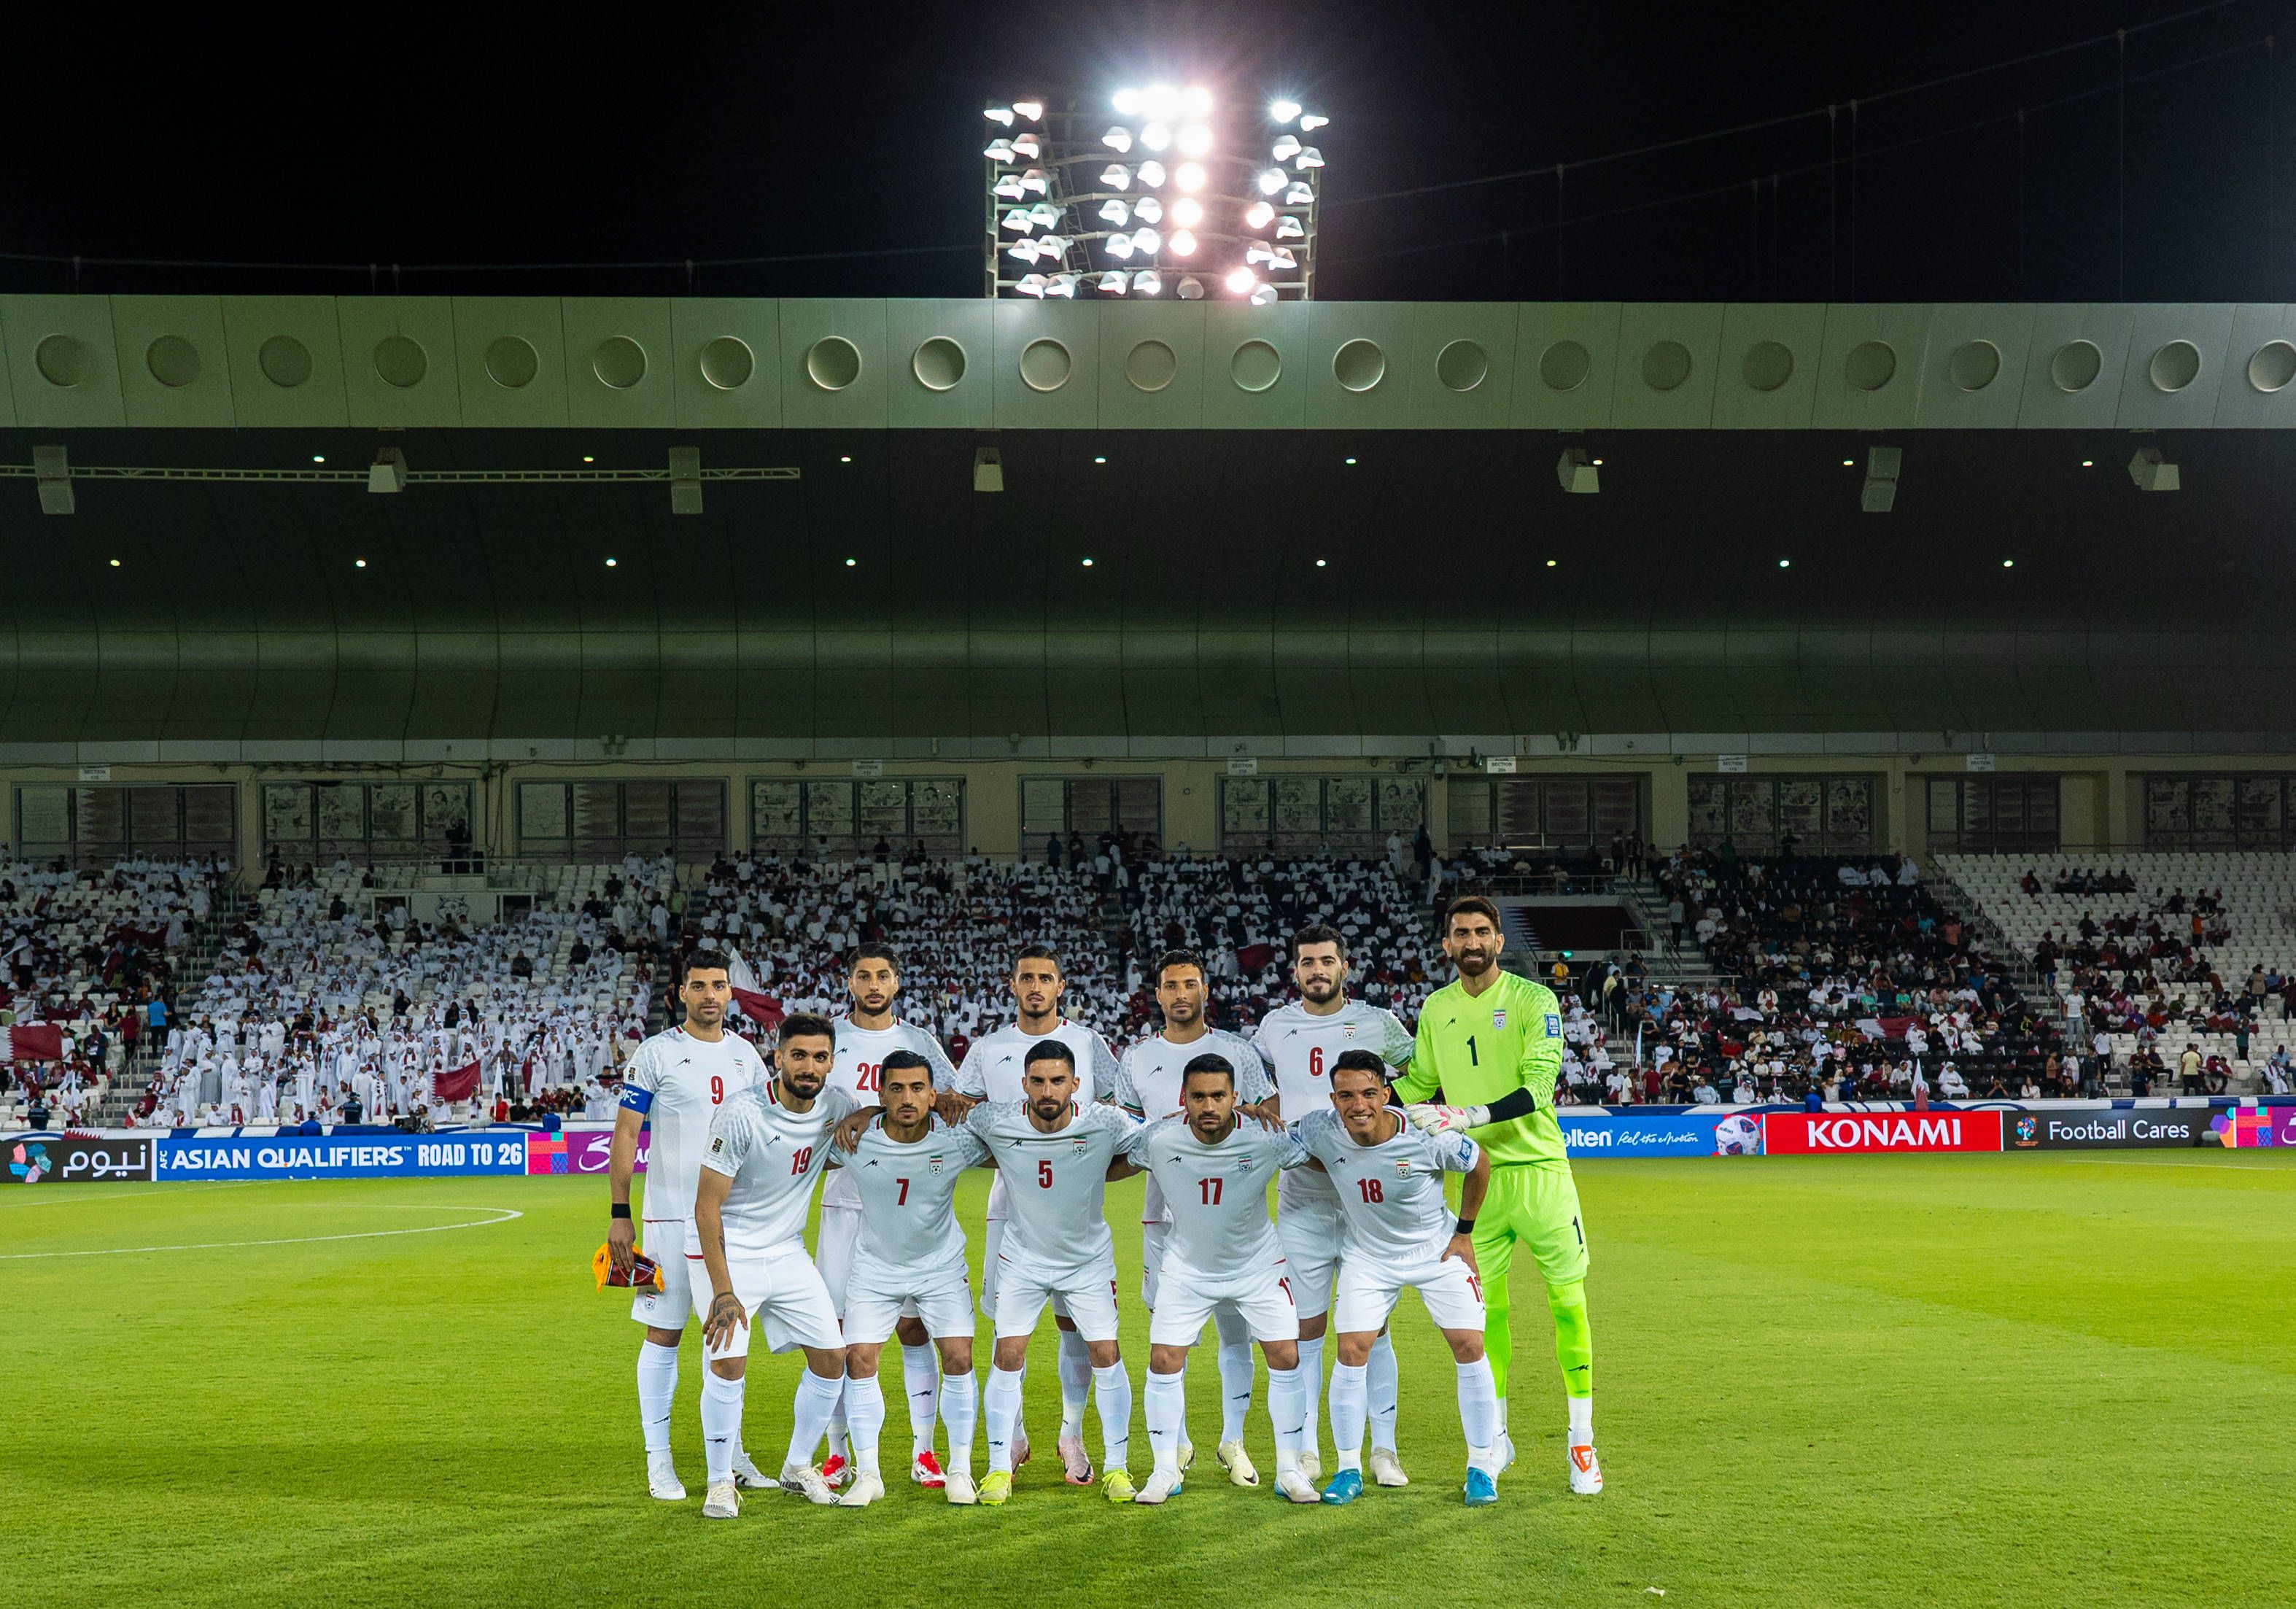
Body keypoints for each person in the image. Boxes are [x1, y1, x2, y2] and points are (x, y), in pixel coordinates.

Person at [1397, 895, 1601, 1495]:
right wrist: (1367, 1096)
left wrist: (1467, 1113)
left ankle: (1582, 1444)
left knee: (1569, 1305)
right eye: (1461, 932)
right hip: (1477, 1178)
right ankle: (1497, 1439)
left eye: (1482, 931)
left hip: (1540, 1172)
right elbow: (1417, 1082)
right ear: (1447, 944)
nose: (1472, 940)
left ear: (1498, 941)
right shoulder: (1437, 1008)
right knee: (1486, 1315)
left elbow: (1538, 1088)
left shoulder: (1536, 1001)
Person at [1249, 923, 1419, 1486]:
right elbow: (1256, 1089)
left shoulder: (1380, 1022)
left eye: (1326, 961)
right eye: (1307, 963)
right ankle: (1309, 1451)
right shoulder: (1274, 1027)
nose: (1317, 970)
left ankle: (1383, 1450)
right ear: (1294, 971)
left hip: (1369, 1204)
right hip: (1304, 1201)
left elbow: (1415, 1083)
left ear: (1344, 966)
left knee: (1376, 1330)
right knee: (1306, 1330)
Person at [947, 946, 1121, 1485]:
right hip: (1009, 1208)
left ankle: (1071, 1433)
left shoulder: (1089, 1044)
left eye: (1046, 977)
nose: (1036, 986)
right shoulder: (989, 1047)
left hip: (1075, 1213)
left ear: (1061, 985)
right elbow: (961, 1110)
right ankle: (1014, 1436)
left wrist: (1087, 1170)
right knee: (1009, 1333)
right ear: (1012, 984)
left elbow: (1120, 1113)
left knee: (1076, 1328)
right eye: (1027, 977)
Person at [606, 949, 772, 1503]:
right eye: (698, 985)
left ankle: (734, 1455)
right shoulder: (655, 1054)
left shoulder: (749, 1057)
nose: (708, 995)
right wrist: (619, 1215)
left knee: (731, 1336)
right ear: (681, 993)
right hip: (666, 1221)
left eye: (718, 985)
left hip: (732, 1222)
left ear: (729, 993)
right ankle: (660, 1463)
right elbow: (627, 1135)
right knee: (664, 1332)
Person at [1299, 1051, 1500, 1507]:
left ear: (1386, 1094)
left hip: (1436, 1250)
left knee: (1469, 1345)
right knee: (1351, 1351)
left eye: (1369, 1093)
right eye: (1346, 1096)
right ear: (1334, 1099)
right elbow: (1286, 1143)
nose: (1358, 1105)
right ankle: (1349, 1468)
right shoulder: (1321, 1129)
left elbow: (1480, 1163)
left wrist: (1464, 1233)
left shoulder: (1428, 1136)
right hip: (1369, 1256)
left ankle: (1482, 1466)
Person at [1115, 950, 1276, 1487]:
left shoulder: (1238, 1051)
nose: (1181, 993)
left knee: (1237, 1332)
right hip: (1162, 1216)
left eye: (1190, 983)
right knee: (1170, 1337)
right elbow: (1127, 1136)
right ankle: (1177, 1444)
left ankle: (1234, 1440)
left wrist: (1255, 1114)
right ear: (1156, 994)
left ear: (1206, 989)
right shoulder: (1136, 1058)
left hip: (1233, 1217)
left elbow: (1269, 1117)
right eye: (1170, 985)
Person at [689, 1012, 858, 1517]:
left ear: (831, 1061)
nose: (810, 1066)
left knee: (832, 1359)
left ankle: (796, 1465)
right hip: (732, 1250)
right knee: (728, 1361)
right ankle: (720, 1481)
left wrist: (867, 1115)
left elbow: (862, 1123)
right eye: (799, 1055)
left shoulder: (837, 1104)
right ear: (778, 1056)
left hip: (787, 1251)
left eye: (820, 1057)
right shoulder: (743, 1113)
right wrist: (723, 1291)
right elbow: (706, 1207)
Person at [1130, 1052, 1319, 1505]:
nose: (1209, 1105)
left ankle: (1290, 1470)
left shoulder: (1268, 1137)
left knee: (1286, 1356)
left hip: (1257, 1265)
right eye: (1199, 1096)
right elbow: (1112, 1157)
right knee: (1163, 1360)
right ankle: (1164, 1471)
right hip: (1187, 1267)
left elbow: (1320, 1155)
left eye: (1219, 1095)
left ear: (1236, 1096)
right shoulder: (1156, 1140)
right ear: (1184, 1099)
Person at [963, 1040, 1147, 1505]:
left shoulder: (1104, 1122)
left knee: (1106, 1352)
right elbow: (946, 1117)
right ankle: (999, 1468)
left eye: (1058, 1081)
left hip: (1087, 1261)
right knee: (1008, 1353)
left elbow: (1155, 1141)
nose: (1048, 1091)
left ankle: (1117, 1468)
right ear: (1024, 1084)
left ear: (1075, 1085)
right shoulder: (996, 1120)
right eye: (1039, 1081)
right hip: (1022, 1259)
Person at [814, 944, 959, 1491]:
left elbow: (949, 1100)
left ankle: (924, 1450)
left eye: (883, 976)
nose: (873, 984)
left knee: (913, 1326)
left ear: (896, 982)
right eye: (863, 976)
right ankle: (836, 1453)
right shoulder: (828, 1038)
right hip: (845, 1202)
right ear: (849, 982)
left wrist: (877, 1109)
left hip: (910, 1206)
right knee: (838, 1336)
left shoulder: (919, 1041)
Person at [824, 1050, 986, 1505]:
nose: (907, 1097)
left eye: (918, 1088)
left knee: (958, 1356)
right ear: (880, 1094)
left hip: (940, 1267)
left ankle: (958, 1470)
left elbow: (1012, 1133)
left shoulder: (958, 1140)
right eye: (895, 1089)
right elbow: (797, 1146)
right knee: (858, 1359)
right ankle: (868, 1475)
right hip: (875, 1269)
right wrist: (865, 1114)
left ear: (933, 1095)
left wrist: (964, 1106)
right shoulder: (856, 1139)